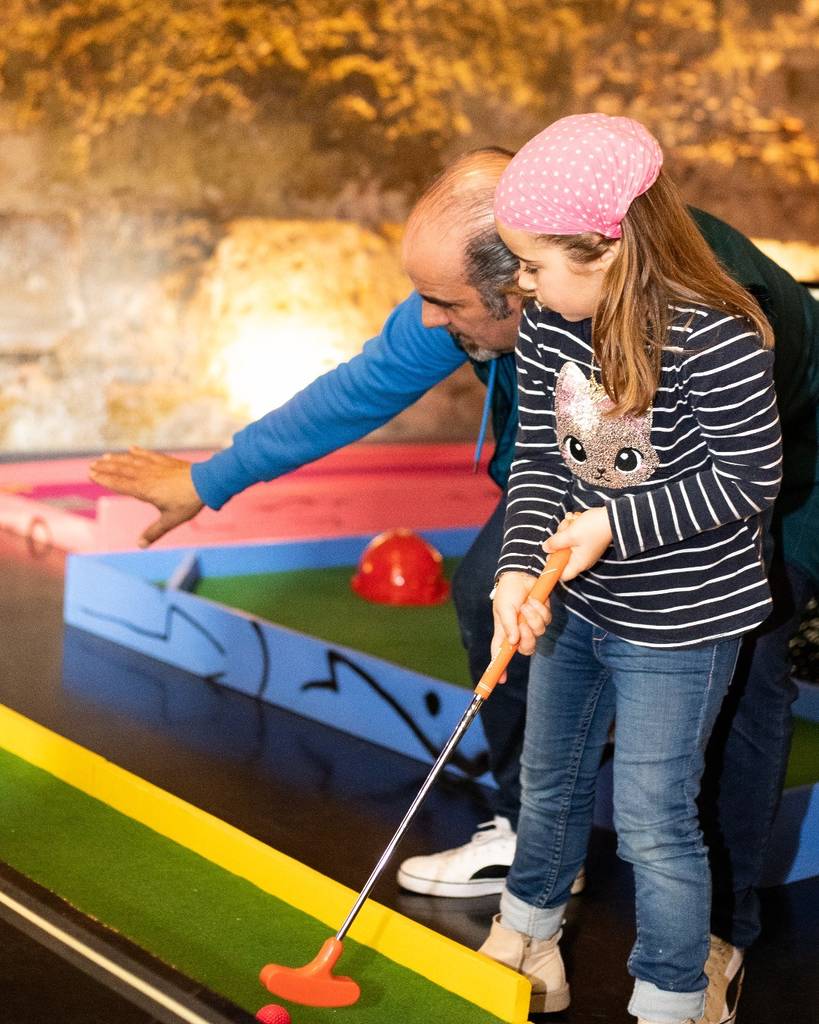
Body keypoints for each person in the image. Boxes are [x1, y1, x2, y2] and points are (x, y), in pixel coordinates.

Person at [89, 146, 819, 1024]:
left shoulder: (716, 315)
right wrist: (210, 480)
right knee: (489, 595)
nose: (429, 323)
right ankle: (534, 862)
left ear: (543, 272)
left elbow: (740, 477)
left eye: (446, 302)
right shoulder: (541, 295)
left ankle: (713, 942)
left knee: (746, 678)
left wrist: (617, 532)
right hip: (605, 482)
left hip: (783, 463)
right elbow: (383, 396)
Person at [478, 112, 782, 1024]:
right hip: (581, 602)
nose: (521, 284)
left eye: (534, 264)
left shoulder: (714, 334)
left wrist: (615, 521)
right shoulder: (546, 329)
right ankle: (529, 933)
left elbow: (749, 479)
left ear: (605, 247)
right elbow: (536, 457)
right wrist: (513, 570)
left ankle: (672, 993)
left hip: (684, 622)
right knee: (551, 776)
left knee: (653, 819)